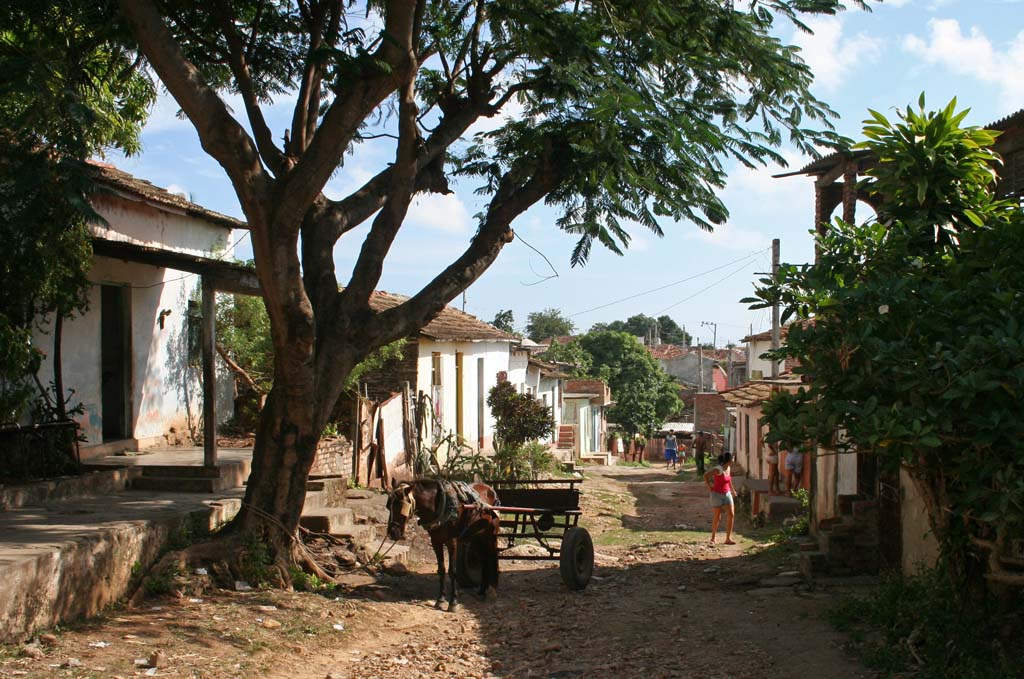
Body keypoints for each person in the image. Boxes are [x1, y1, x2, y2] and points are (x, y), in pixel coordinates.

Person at [704, 453, 737, 545]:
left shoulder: (728, 468)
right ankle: (713, 538)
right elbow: (706, 475)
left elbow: (729, 479)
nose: (734, 459)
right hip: (717, 495)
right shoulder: (718, 469)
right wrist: (709, 487)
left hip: (727, 493)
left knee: (731, 514)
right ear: (729, 460)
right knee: (717, 517)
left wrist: (733, 490)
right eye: (733, 458)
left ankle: (728, 538)